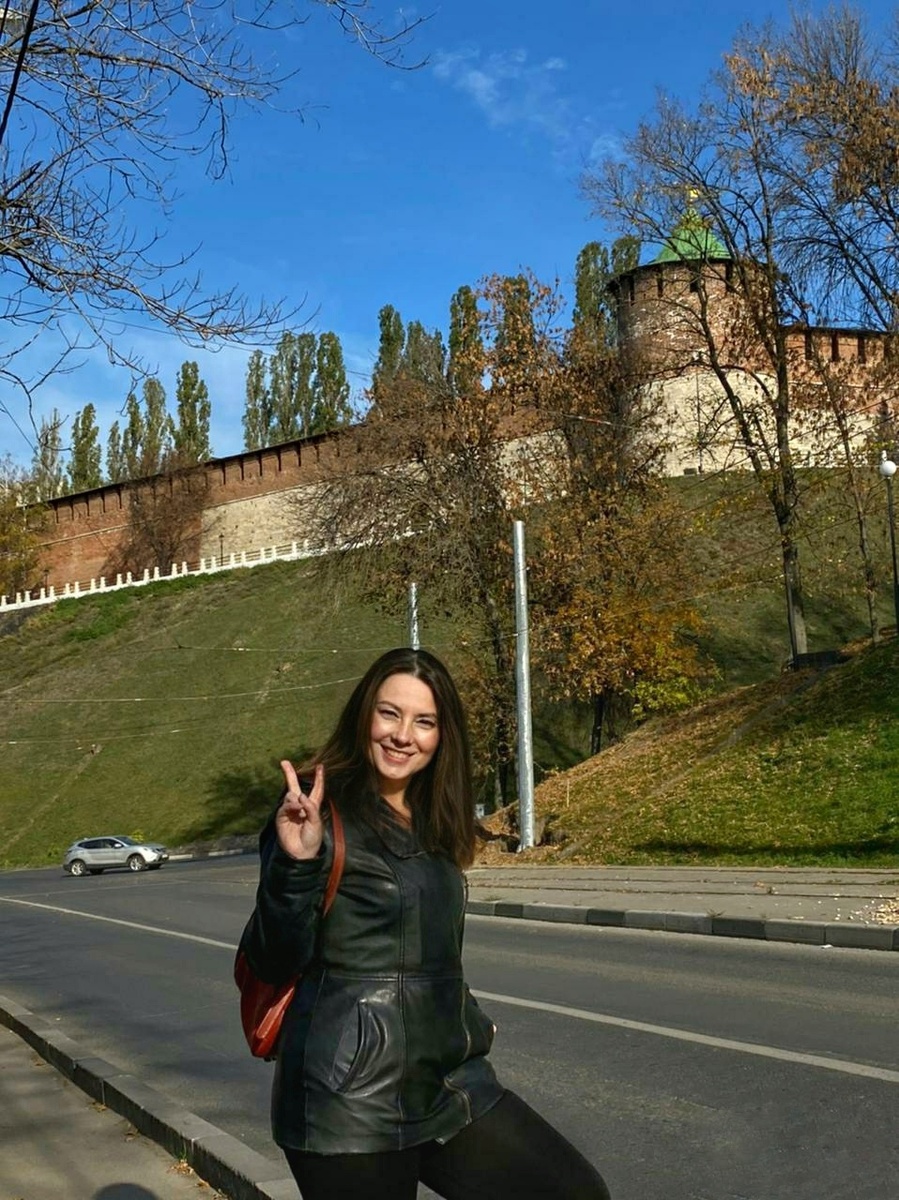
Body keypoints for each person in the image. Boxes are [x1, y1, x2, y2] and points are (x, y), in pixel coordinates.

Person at [240, 647, 612, 1200]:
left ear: (443, 736)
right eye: (389, 713)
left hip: (445, 1082)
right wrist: (296, 864)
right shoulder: (320, 809)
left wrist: (464, 1018)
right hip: (348, 1098)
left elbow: (424, 951)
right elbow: (276, 957)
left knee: (574, 1192)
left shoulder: (430, 818)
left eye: (424, 721)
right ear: (365, 714)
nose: (402, 735)